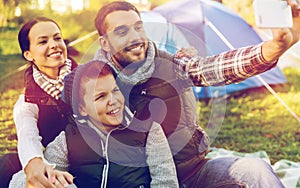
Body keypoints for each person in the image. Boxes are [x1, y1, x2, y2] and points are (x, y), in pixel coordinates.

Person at [93, 1, 299, 187]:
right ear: (104, 43)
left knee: (256, 170)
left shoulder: (169, 63)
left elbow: (215, 68)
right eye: (122, 32)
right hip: (141, 183)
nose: (135, 37)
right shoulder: (91, 84)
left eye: (138, 27)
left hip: (193, 173)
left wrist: (273, 48)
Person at [9, 60, 179, 188]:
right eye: (100, 97)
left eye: (115, 91)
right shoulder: (69, 138)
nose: (113, 101)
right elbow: (26, 180)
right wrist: (53, 180)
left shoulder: (147, 127)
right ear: (82, 109)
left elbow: (166, 180)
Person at [0, 17, 77, 188]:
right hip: (57, 162)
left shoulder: (88, 79)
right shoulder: (27, 101)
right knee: (7, 163)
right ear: (29, 55)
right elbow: (27, 134)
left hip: (91, 158)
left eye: (57, 38)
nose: (54, 44)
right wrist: (34, 161)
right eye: (43, 41)